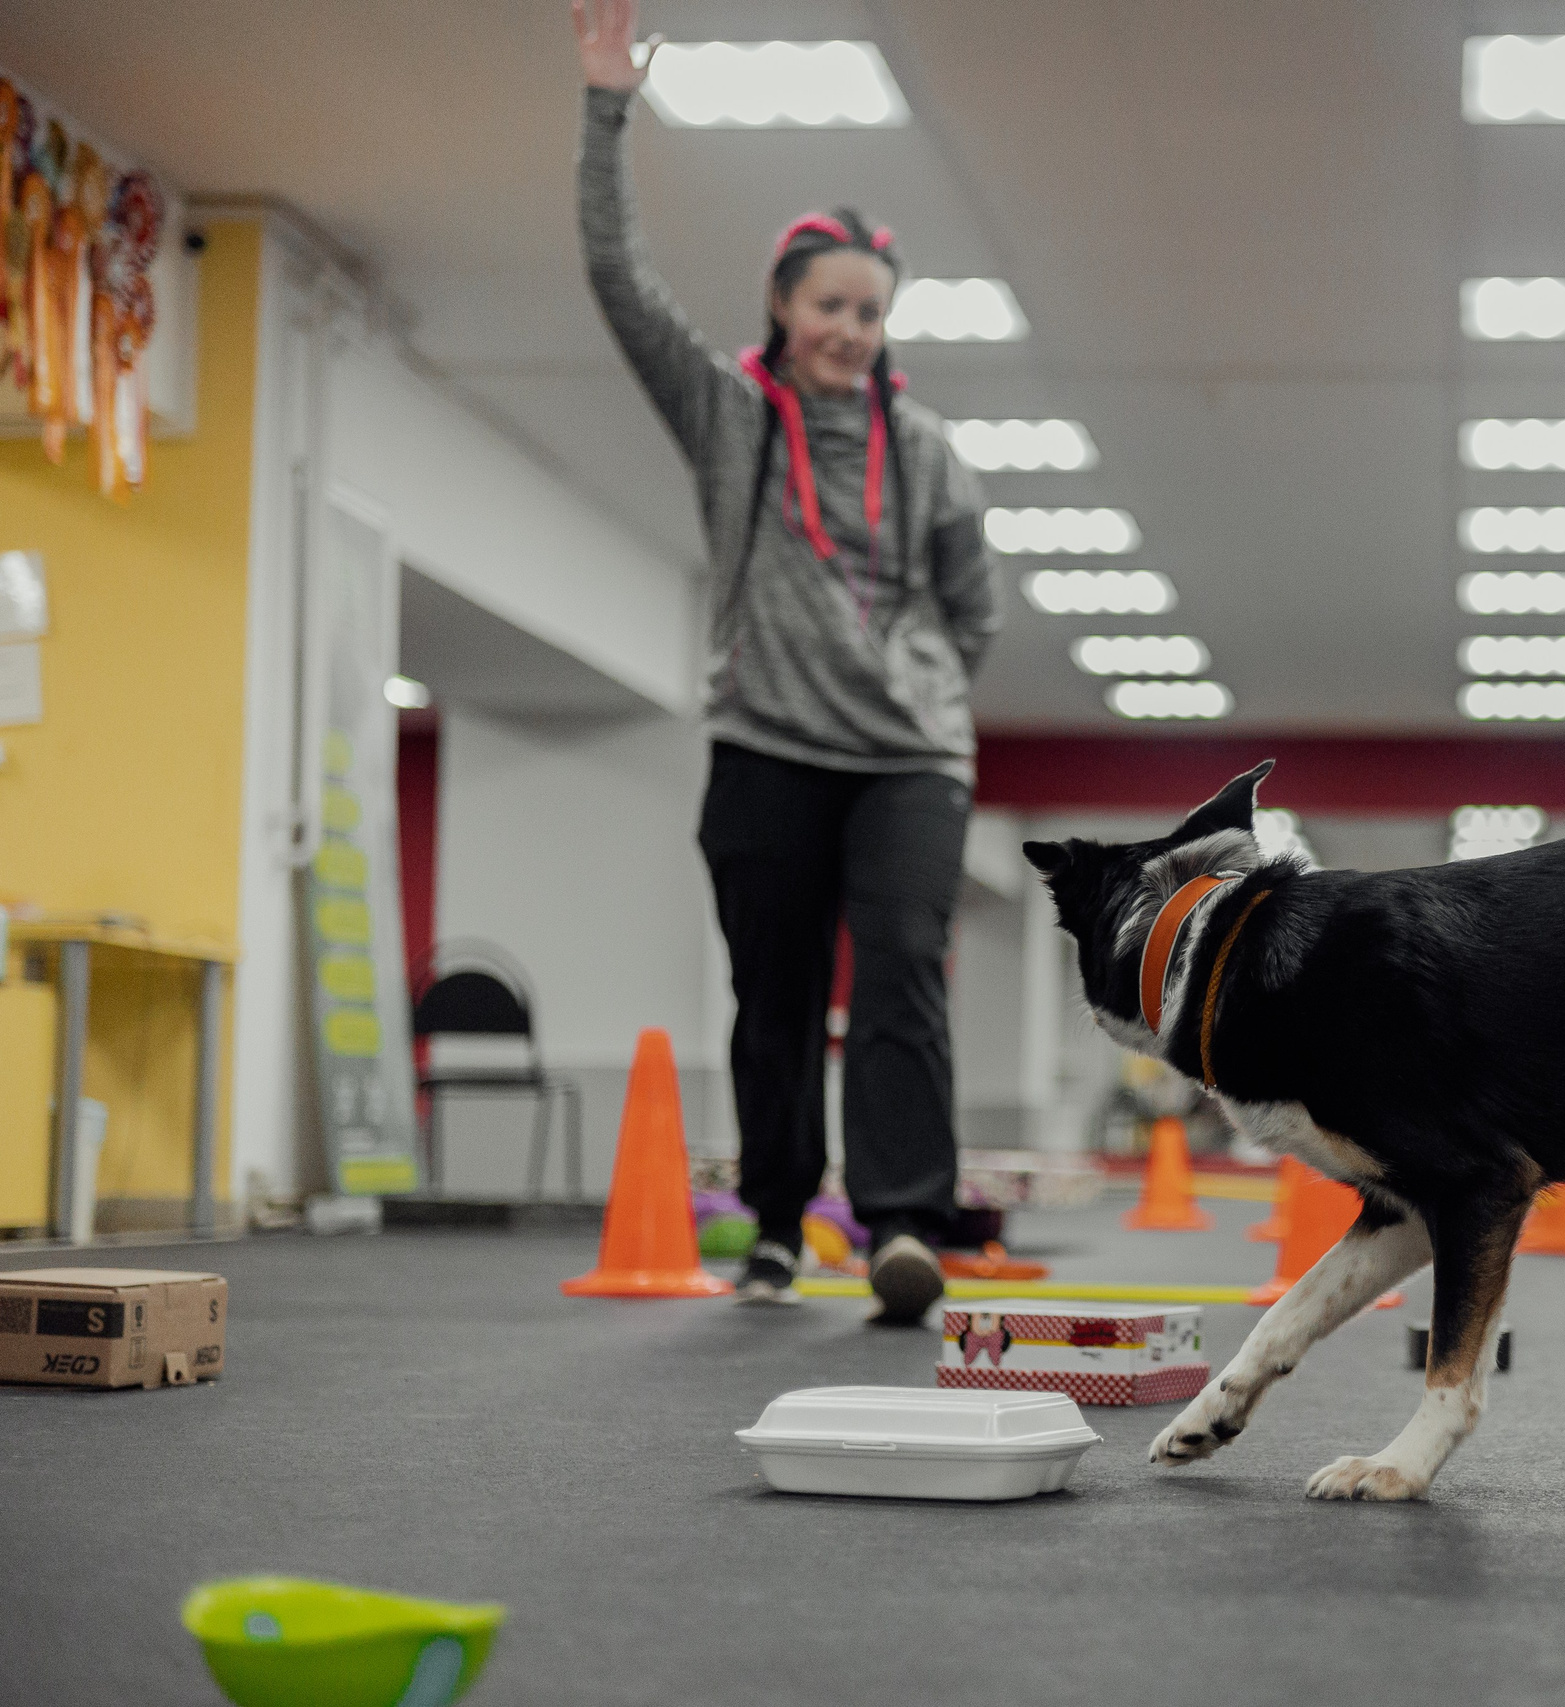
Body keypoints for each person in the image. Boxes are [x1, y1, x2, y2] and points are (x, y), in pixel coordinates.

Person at [572, 0, 999, 1321]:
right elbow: (618, 283)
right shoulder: (728, 417)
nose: (851, 331)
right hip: (764, 745)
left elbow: (971, 607)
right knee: (775, 995)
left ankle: (904, 1224)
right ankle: (772, 1220)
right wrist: (606, 109)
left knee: (903, 975)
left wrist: (914, 672)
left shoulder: (925, 450)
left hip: (905, 760)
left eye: (871, 312)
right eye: (830, 306)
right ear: (782, 304)